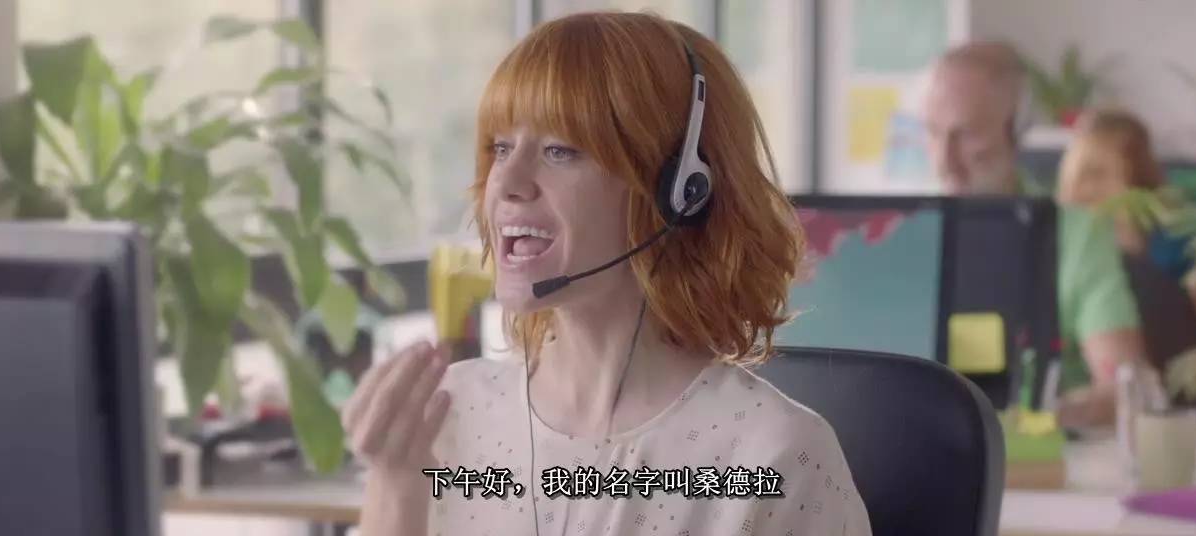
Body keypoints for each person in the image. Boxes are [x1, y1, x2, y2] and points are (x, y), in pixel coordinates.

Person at [344, 12, 871, 536]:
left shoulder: (775, 456)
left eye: (559, 151)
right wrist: (394, 488)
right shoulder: (440, 418)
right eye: (501, 148)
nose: (505, 183)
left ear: (680, 192)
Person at [922, 41, 1147, 428]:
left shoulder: (1076, 234)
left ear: (1017, 130)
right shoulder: (902, 233)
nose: (945, 160)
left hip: (1037, 452)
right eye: (932, 132)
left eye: (967, 135)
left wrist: (1038, 420)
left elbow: (1125, 385)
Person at [1056, 109, 1194, 280]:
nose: (1085, 190)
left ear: (1135, 181)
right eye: (1078, 175)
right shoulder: (1052, 244)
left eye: (1097, 174)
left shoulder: (1176, 248)